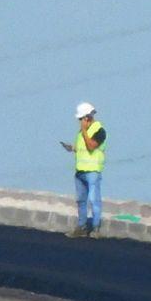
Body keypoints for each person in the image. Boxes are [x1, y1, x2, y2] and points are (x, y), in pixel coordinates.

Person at [59, 101, 106, 237]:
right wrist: (71, 148)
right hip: (80, 172)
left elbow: (91, 146)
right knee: (81, 200)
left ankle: (96, 228)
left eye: (81, 119)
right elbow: (83, 148)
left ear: (87, 117)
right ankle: (82, 226)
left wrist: (85, 130)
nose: (80, 122)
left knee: (94, 200)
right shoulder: (81, 133)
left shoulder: (99, 131)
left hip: (92, 171)